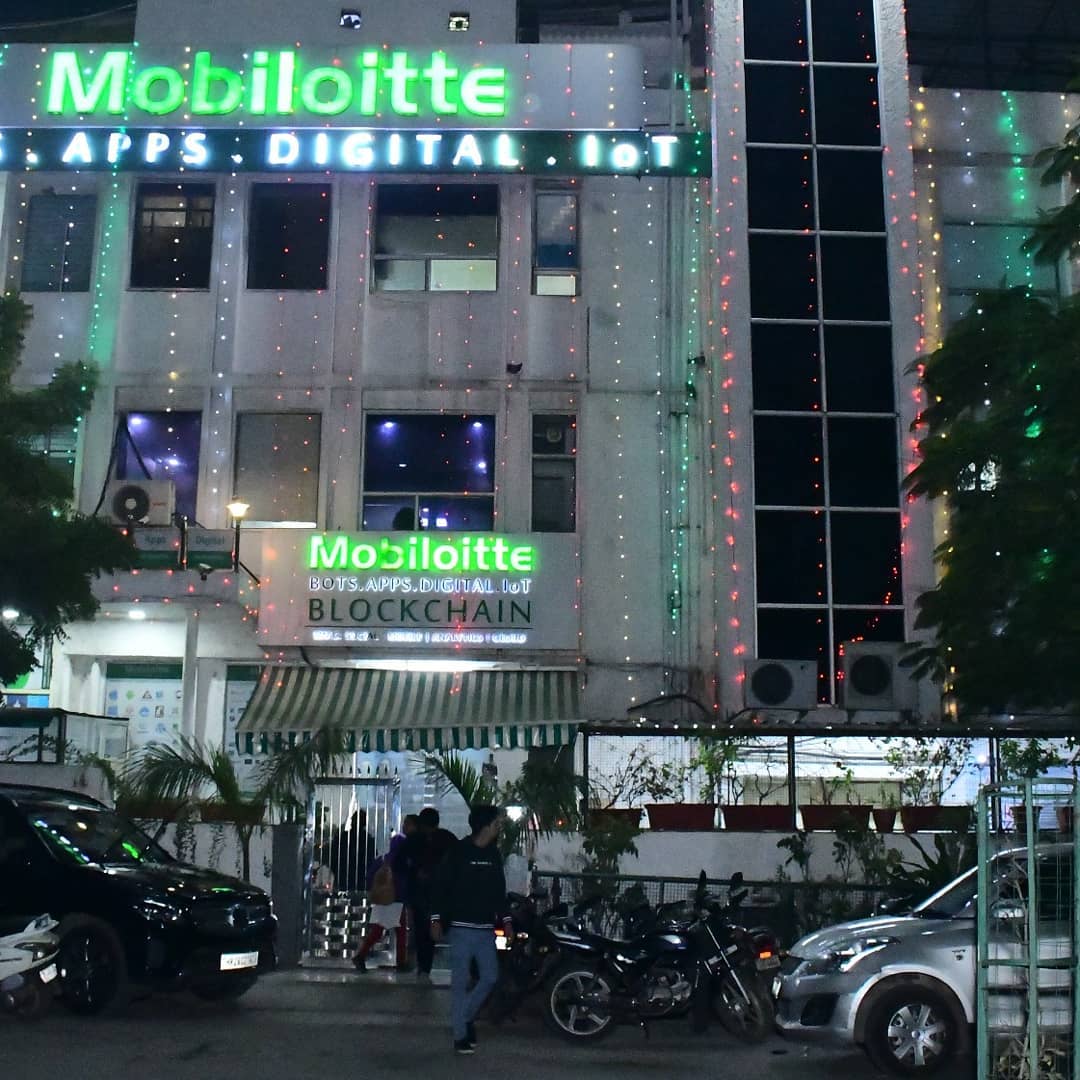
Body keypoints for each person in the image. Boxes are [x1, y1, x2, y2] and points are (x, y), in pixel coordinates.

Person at [429, 805, 512, 1055]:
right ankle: (460, 1035)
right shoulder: (459, 851)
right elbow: (440, 886)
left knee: (490, 976)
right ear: (485, 826)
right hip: (461, 929)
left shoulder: (493, 854)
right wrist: (435, 919)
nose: (499, 827)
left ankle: (464, 1017)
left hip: (485, 929)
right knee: (460, 982)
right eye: (496, 823)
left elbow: (499, 891)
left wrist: (506, 921)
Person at [351, 815, 418, 972]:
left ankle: (395, 960)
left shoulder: (392, 850)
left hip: (390, 894)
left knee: (389, 928)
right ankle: (364, 956)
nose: (405, 826)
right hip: (395, 893)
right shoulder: (404, 846)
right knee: (386, 928)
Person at [405, 806, 458, 980]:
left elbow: (405, 864)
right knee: (442, 929)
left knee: (422, 933)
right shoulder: (448, 839)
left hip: (421, 895)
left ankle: (424, 967)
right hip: (444, 895)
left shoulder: (415, 840)